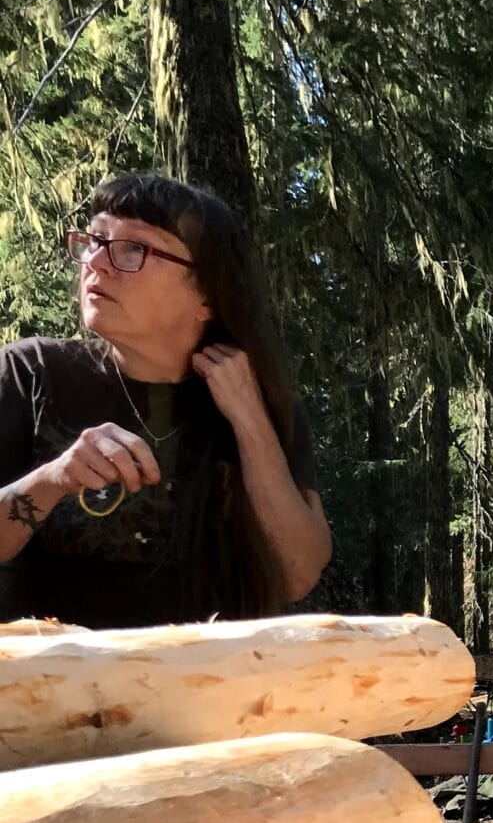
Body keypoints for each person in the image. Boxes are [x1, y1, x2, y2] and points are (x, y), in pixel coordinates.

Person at [0, 174, 330, 629]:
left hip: (203, 689)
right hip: (47, 687)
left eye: (134, 248)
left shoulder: (263, 406)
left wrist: (250, 419)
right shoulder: (31, 373)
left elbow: (297, 573)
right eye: (95, 239)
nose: (96, 261)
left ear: (208, 297)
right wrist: (55, 478)